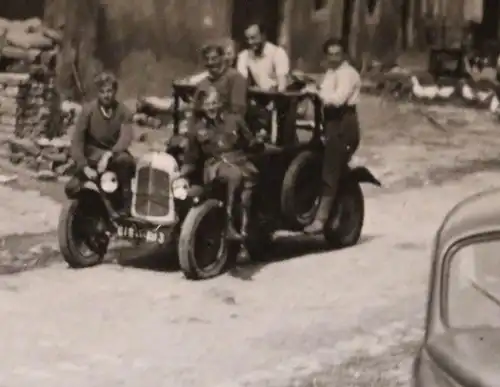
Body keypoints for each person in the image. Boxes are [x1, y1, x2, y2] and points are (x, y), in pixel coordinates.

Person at [181, 86, 259, 245]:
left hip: (238, 161)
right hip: (214, 165)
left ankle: (246, 228)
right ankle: (228, 225)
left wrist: (257, 142)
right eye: (207, 104)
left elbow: (250, 142)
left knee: (251, 181)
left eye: (214, 103)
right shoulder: (197, 128)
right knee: (234, 175)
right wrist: (182, 174)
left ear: (220, 104)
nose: (211, 107)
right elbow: (191, 156)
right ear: (202, 107)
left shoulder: (234, 120)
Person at [302, 38, 361, 234]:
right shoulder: (330, 72)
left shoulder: (348, 74)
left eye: (337, 54)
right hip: (330, 123)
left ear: (344, 54)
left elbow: (337, 100)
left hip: (344, 123)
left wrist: (316, 93)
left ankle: (321, 219)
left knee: (331, 169)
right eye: (330, 54)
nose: (334, 58)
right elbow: (324, 93)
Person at [68, 71, 135, 215]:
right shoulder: (88, 111)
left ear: (115, 91)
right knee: (72, 188)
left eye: (109, 91)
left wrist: (109, 155)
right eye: (102, 91)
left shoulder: (124, 112)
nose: (106, 95)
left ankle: (124, 207)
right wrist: (83, 166)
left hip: (114, 156)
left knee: (126, 162)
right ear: (98, 92)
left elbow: (125, 138)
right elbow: (77, 141)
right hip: (92, 157)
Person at [236, 22, 290, 91]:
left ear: (263, 36)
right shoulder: (244, 56)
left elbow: (282, 87)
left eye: (253, 38)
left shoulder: (278, 53)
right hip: (255, 97)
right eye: (247, 39)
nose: (250, 42)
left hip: (276, 97)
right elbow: (242, 83)